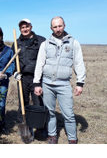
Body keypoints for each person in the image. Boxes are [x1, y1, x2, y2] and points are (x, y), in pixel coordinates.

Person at [33, 16, 86, 144]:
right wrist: (37, 83)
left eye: (60, 26)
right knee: (50, 112)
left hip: (64, 85)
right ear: (51, 28)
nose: (58, 29)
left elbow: (79, 63)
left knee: (68, 113)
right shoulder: (45, 44)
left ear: (64, 25)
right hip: (47, 84)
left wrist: (80, 83)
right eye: (55, 27)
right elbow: (39, 64)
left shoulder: (73, 43)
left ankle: (72, 138)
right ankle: (52, 136)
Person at [11, 19, 46, 135]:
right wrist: (15, 72)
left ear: (31, 27)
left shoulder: (41, 41)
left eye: (27, 26)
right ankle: (24, 124)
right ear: (20, 29)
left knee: (38, 103)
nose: (25, 29)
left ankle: (40, 127)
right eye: (22, 27)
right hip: (22, 78)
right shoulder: (16, 43)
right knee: (23, 102)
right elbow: (12, 61)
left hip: (37, 78)